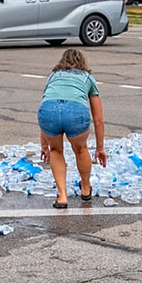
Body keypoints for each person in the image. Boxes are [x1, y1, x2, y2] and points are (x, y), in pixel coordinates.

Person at [36, 48, 107, 208]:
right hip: (76, 112)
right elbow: (99, 119)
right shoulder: (88, 78)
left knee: (56, 151)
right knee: (81, 149)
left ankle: (62, 196)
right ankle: (86, 189)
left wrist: (44, 146)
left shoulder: (53, 76)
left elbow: (48, 102)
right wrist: (100, 148)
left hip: (48, 113)